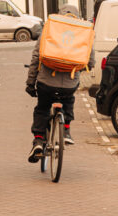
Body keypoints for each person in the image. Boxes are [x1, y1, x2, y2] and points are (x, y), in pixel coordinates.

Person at [25, 20, 95, 163]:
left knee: (42, 108)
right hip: (69, 84)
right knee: (68, 99)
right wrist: (75, 70)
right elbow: (91, 61)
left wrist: (31, 83)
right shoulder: (83, 32)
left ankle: (38, 141)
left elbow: (36, 58)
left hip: (46, 82)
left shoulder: (49, 29)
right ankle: (67, 131)